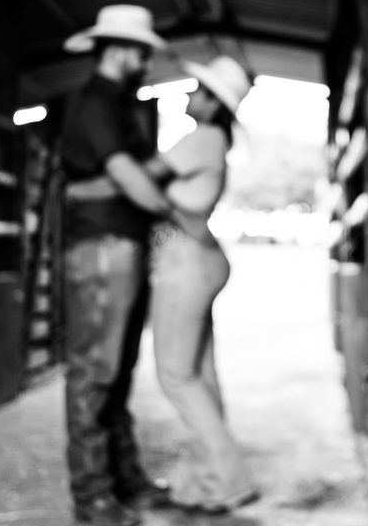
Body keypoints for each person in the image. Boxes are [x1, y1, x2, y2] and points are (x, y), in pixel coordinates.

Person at [68, 55, 260, 514]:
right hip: (200, 257)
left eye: (198, 90)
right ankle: (204, 479)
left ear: (214, 103)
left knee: (177, 377)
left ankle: (227, 481)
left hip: (186, 261)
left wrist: (77, 190)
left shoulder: (201, 138)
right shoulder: (214, 140)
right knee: (200, 375)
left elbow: (136, 182)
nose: (189, 94)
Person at [59, 4, 174, 526]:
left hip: (120, 244)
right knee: (94, 374)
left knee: (118, 372)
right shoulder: (96, 102)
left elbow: (131, 173)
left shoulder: (122, 104)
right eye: (142, 52)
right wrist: (167, 209)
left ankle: (123, 482)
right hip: (102, 246)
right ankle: (92, 498)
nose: (146, 61)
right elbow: (129, 177)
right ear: (121, 50)